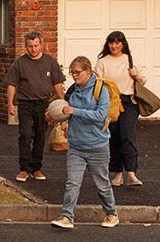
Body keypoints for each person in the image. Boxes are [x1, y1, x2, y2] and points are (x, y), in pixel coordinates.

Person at [50, 56, 120, 230]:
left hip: (98, 146)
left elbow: (100, 116)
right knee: (72, 183)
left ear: (88, 71)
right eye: (72, 72)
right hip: (76, 146)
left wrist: (75, 111)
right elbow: (65, 110)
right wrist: (56, 113)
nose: (74, 76)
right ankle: (67, 216)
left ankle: (112, 213)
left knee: (102, 184)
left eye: (77, 72)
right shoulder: (73, 90)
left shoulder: (100, 90)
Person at [3, 31, 65, 182]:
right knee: (25, 135)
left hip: (43, 104)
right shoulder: (19, 63)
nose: (33, 49)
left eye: (36, 45)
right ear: (26, 46)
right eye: (30, 46)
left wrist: (64, 101)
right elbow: (11, 84)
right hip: (25, 104)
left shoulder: (50, 62)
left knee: (40, 136)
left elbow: (57, 84)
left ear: (41, 45)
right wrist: (10, 104)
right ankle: (24, 169)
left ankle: (36, 168)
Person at [95, 30, 145, 187]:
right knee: (113, 137)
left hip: (129, 102)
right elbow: (97, 84)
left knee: (127, 135)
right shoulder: (103, 62)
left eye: (117, 42)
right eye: (111, 42)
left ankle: (131, 173)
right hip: (110, 101)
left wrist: (135, 75)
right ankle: (117, 174)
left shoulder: (129, 59)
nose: (114, 46)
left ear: (123, 44)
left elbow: (143, 81)